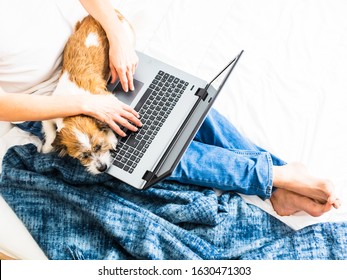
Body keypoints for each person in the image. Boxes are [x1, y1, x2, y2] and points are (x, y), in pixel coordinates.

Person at [0, 0, 340, 223]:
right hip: (51, 102)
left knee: (184, 103)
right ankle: (274, 177)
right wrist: (86, 103)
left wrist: (116, 34)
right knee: (152, 149)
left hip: (91, 50)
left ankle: (276, 183)